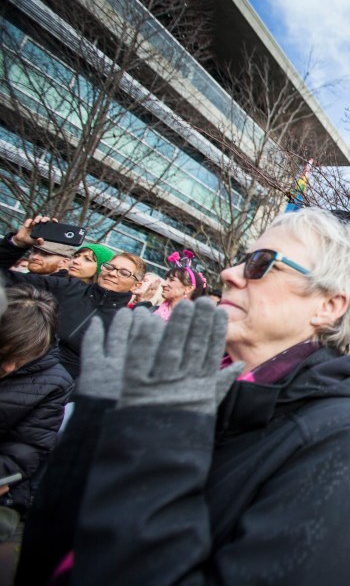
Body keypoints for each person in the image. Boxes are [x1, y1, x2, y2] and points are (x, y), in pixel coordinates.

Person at [28, 207, 350, 585]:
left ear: (328, 306)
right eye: (241, 261)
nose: (228, 274)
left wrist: (164, 436)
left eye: (261, 263)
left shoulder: (346, 443)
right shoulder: (218, 378)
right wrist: (95, 423)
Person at [1, 216, 145, 378]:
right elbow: (5, 278)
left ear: (136, 285)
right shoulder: (67, 288)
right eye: (110, 267)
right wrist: (16, 244)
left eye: (124, 273)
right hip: (15, 375)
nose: (112, 273)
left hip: (60, 396)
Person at [0, 286, 73, 540]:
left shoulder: (54, 382)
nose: (8, 367)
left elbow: (25, 450)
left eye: (20, 358)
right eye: (3, 355)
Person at [155, 250, 207, 320]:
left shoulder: (192, 323)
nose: (163, 284)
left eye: (172, 280)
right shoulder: (152, 310)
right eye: (166, 279)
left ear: (189, 288)